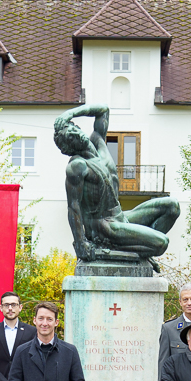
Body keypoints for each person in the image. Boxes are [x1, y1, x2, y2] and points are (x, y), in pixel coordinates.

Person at [55, 104, 180, 270]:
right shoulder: (78, 166)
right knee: (162, 243)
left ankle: (139, 251)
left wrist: (70, 113)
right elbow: (73, 207)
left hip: (120, 216)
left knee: (172, 206)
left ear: (78, 128)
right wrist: (80, 242)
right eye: (70, 138)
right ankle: (134, 251)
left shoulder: (99, 143)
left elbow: (103, 110)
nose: (75, 134)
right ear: (69, 148)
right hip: (104, 226)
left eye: (73, 130)